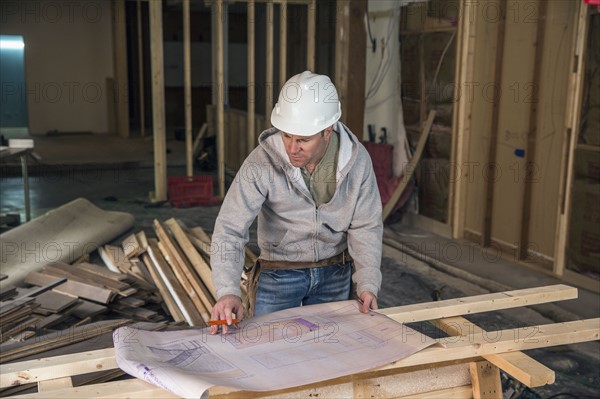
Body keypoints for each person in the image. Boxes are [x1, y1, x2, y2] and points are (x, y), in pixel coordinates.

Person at [210, 71, 383, 333]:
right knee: (270, 351)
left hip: (334, 270)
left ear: (327, 131)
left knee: (328, 352)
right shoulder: (261, 163)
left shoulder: (357, 161)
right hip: (279, 273)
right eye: (287, 136)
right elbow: (230, 227)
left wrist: (367, 282)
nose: (292, 148)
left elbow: (366, 225)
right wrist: (227, 290)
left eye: (303, 139)